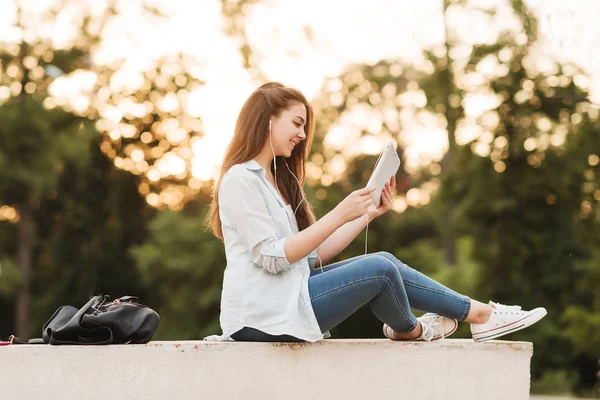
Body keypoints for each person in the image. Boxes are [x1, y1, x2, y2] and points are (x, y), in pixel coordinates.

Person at [205, 82, 546, 343]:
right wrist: (340, 212)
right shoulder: (240, 179)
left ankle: (466, 317)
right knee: (380, 269)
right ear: (267, 119)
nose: (302, 134)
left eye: (304, 126)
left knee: (384, 261)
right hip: (260, 318)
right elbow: (273, 256)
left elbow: (311, 256)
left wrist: (365, 214)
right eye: (296, 123)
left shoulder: (275, 183)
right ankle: (441, 325)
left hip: (285, 304)